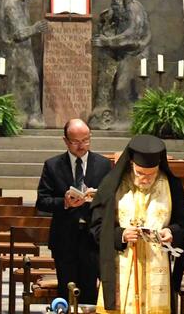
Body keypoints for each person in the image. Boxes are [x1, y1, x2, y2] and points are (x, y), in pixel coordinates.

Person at [91, 135, 184, 314]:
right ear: (131, 165)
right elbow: (97, 228)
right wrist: (121, 235)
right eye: (140, 173)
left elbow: (182, 226)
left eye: (151, 174)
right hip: (121, 267)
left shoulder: (172, 186)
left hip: (157, 269)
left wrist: (171, 232)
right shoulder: (112, 186)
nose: (145, 179)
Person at [36, 119, 113, 304]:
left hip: (92, 239)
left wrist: (99, 197)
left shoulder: (103, 164)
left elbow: (114, 199)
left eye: (86, 140)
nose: (82, 146)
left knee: (89, 293)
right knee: (67, 290)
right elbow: (42, 202)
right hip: (65, 239)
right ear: (65, 141)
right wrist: (65, 202)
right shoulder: (52, 165)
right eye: (76, 141)